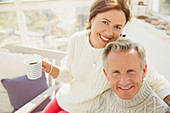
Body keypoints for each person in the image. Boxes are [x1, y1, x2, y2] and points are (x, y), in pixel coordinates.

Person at [41, 0, 170, 112]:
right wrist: (49, 68)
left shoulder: (121, 51)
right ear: (92, 18)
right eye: (105, 22)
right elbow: (68, 75)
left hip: (85, 110)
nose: (109, 32)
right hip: (63, 98)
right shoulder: (77, 39)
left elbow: (155, 80)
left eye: (117, 27)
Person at [90, 38, 169, 112]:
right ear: (106, 74)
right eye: (116, 72)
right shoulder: (99, 104)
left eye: (131, 71)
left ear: (144, 71)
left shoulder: (160, 110)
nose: (124, 82)